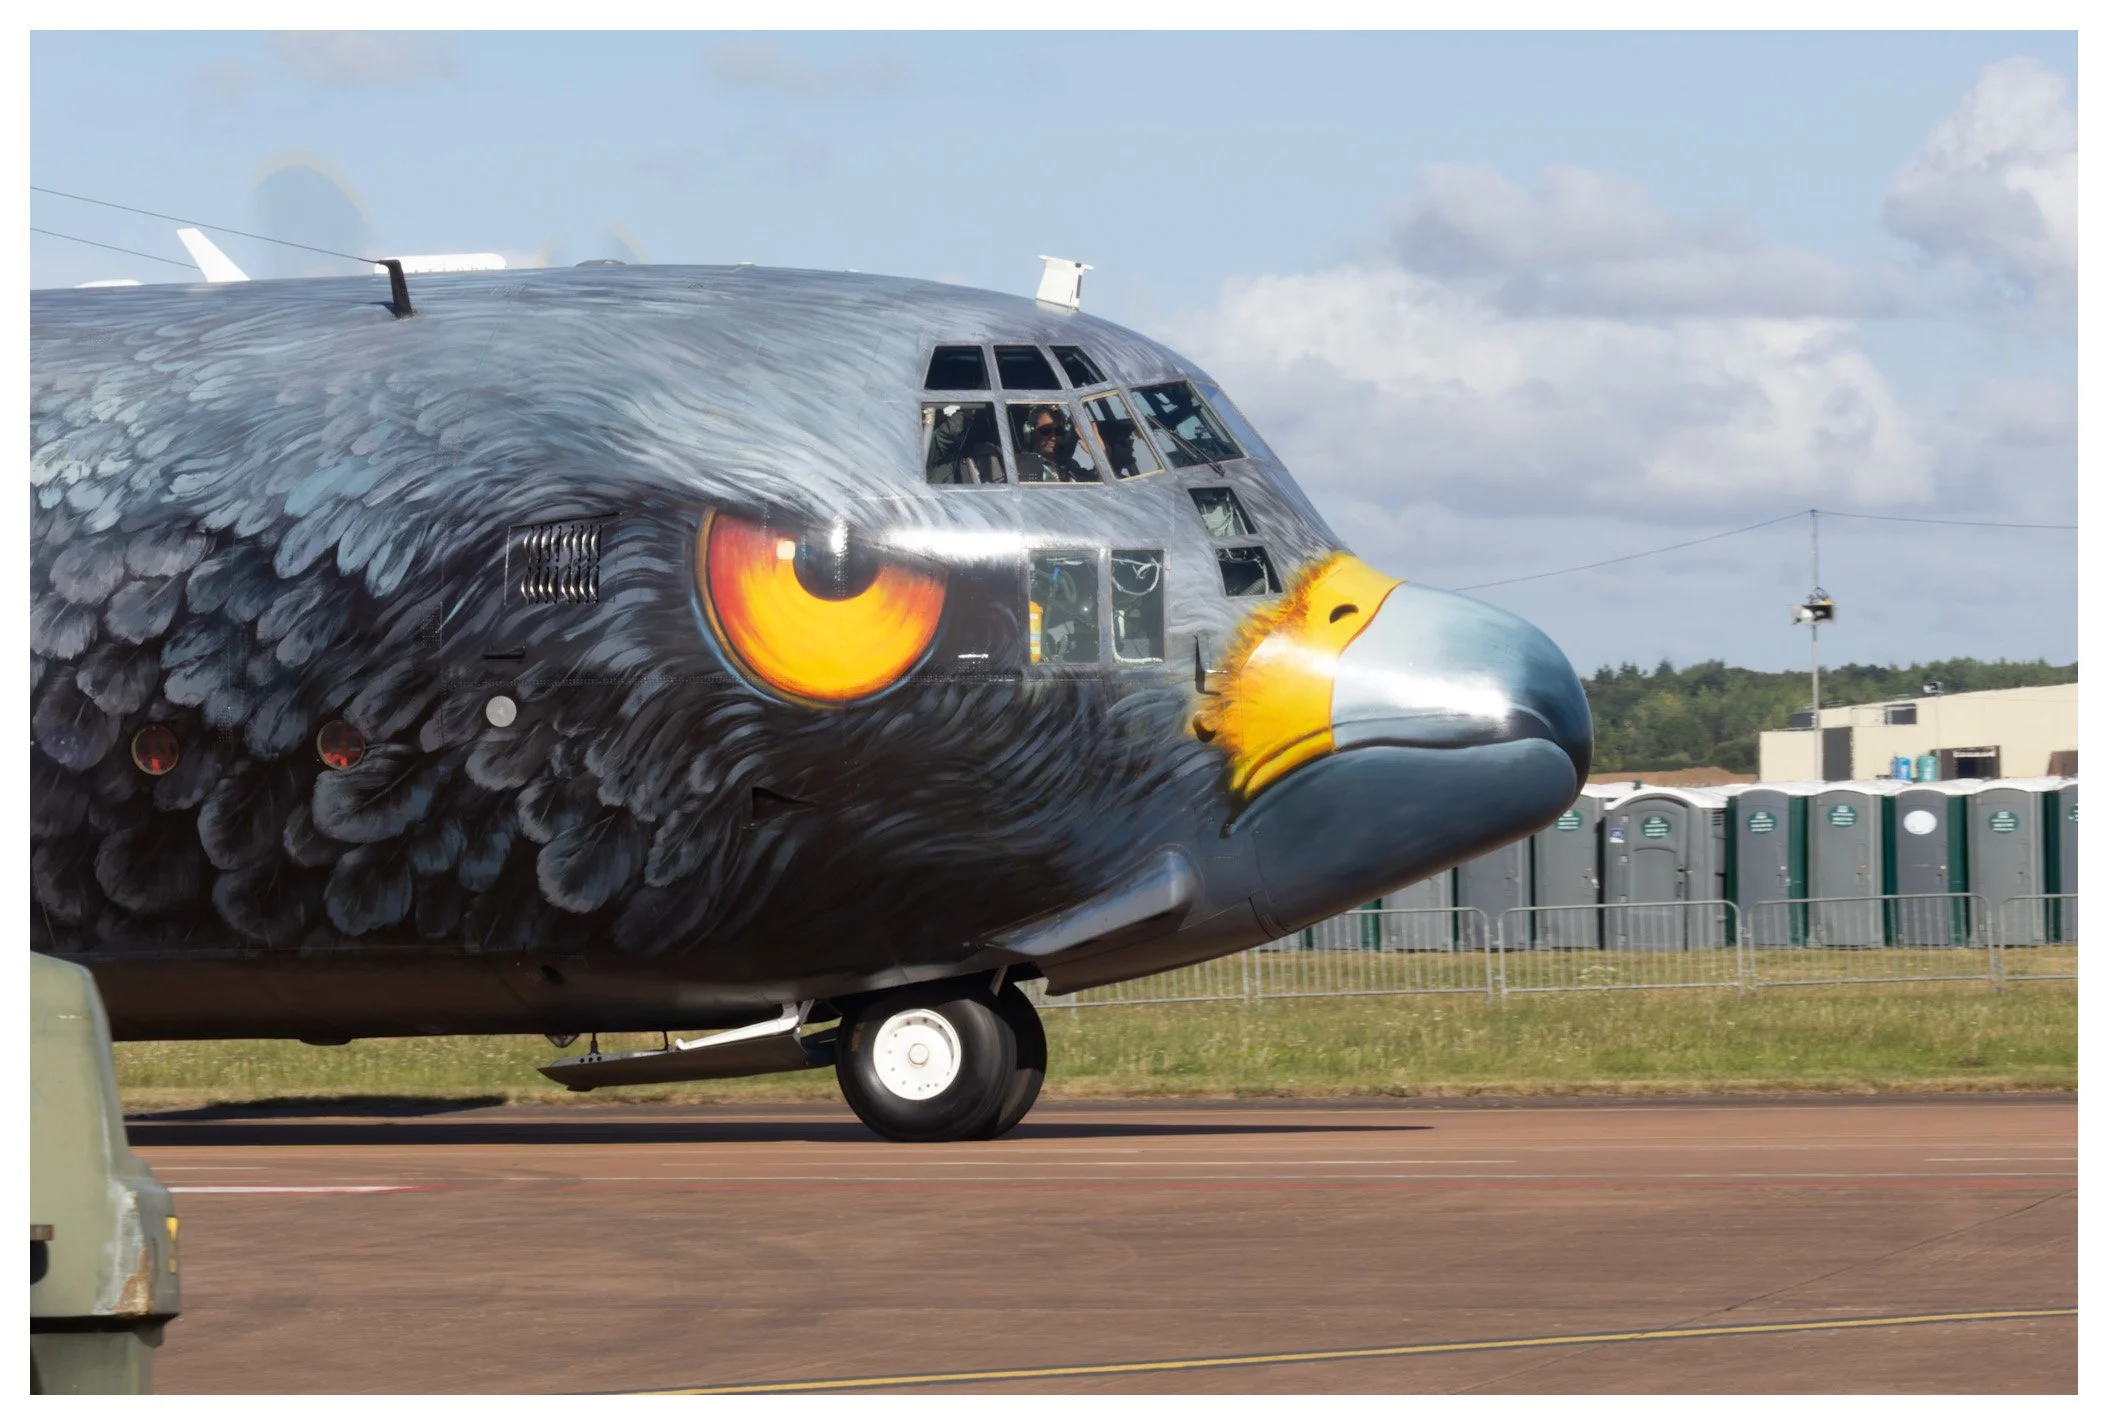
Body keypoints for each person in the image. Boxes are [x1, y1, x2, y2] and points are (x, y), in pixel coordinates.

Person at [1013, 405, 1099, 483]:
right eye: (1045, 430)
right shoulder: (1020, 465)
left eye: (1059, 431)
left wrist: (1099, 456)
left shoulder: (1070, 465)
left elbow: (1096, 485)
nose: (1053, 437)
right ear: (1030, 432)